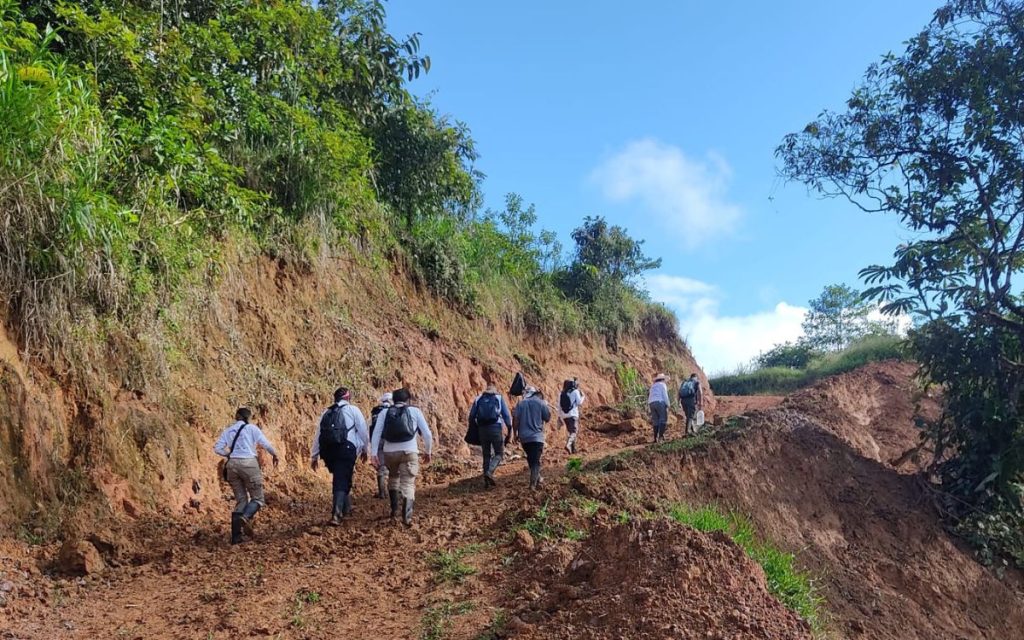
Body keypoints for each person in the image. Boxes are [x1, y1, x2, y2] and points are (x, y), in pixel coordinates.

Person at [213, 407, 280, 545]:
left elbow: (217, 448)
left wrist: (229, 455)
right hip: (249, 464)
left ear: (236, 416)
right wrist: (274, 454)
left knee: (241, 500)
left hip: (232, 465)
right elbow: (265, 444)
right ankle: (246, 516)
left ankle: (236, 538)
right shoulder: (252, 429)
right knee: (258, 499)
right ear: (248, 417)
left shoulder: (228, 430)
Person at [370, 388, 433, 526]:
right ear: (407, 400)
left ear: (394, 399)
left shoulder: (384, 412)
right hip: (409, 452)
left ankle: (394, 510)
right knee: (408, 483)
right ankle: (407, 516)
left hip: (389, 453)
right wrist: (428, 452)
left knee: (393, 478)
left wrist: (373, 454)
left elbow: (376, 433)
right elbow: (427, 434)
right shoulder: (415, 411)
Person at [310, 387, 369, 526]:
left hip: (328, 451)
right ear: (348, 398)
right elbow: (363, 432)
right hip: (346, 448)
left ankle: (346, 509)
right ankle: (336, 515)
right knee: (341, 480)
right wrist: (366, 449)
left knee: (341, 477)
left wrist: (314, 455)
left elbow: (318, 435)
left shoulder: (326, 411)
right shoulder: (353, 410)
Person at [468, 383, 513, 488]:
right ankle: (490, 472)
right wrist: (510, 428)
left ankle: (486, 482)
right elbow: (506, 416)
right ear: (495, 391)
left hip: (482, 429)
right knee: (499, 453)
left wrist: (475, 427)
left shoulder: (478, 398)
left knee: (486, 454)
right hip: (495, 428)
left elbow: (471, 416)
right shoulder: (498, 397)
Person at [513, 386, 552, 489]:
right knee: (535, 462)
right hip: (537, 437)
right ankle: (532, 485)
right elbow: (547, 418)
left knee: (531, 459)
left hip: (524, 438)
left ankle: (538, 479)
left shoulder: (521, 404)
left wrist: (515, 434)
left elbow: (516, 420)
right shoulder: (541, 403)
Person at [368, 392, 393, 499]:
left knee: (381, 467)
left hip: (377, 440)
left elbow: (369, 427)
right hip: (391, 440)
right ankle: (395, 492)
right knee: (394, 467)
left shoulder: (375, 411)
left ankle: (382, 492)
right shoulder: (394, 410)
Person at [558, 378, 586, 454]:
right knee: (574, 432)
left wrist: (559, 417)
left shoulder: (561, 393)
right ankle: (568, 444)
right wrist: (583, 396)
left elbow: (559, 406)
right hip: (573, 415)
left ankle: (573, 450)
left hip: (565, 416)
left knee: (571, 432)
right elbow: (579, 402)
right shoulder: (575, 391)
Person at [647, 373, 670, 443]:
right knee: (663, 420)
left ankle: (655, 438)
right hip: (660, 402)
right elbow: (665, 396)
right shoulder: (662, 385)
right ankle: (660, 438)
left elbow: (650, 396)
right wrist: (668, 405)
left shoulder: (653, 386)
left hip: (651, 403)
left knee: (655, 421)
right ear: (663, 379)